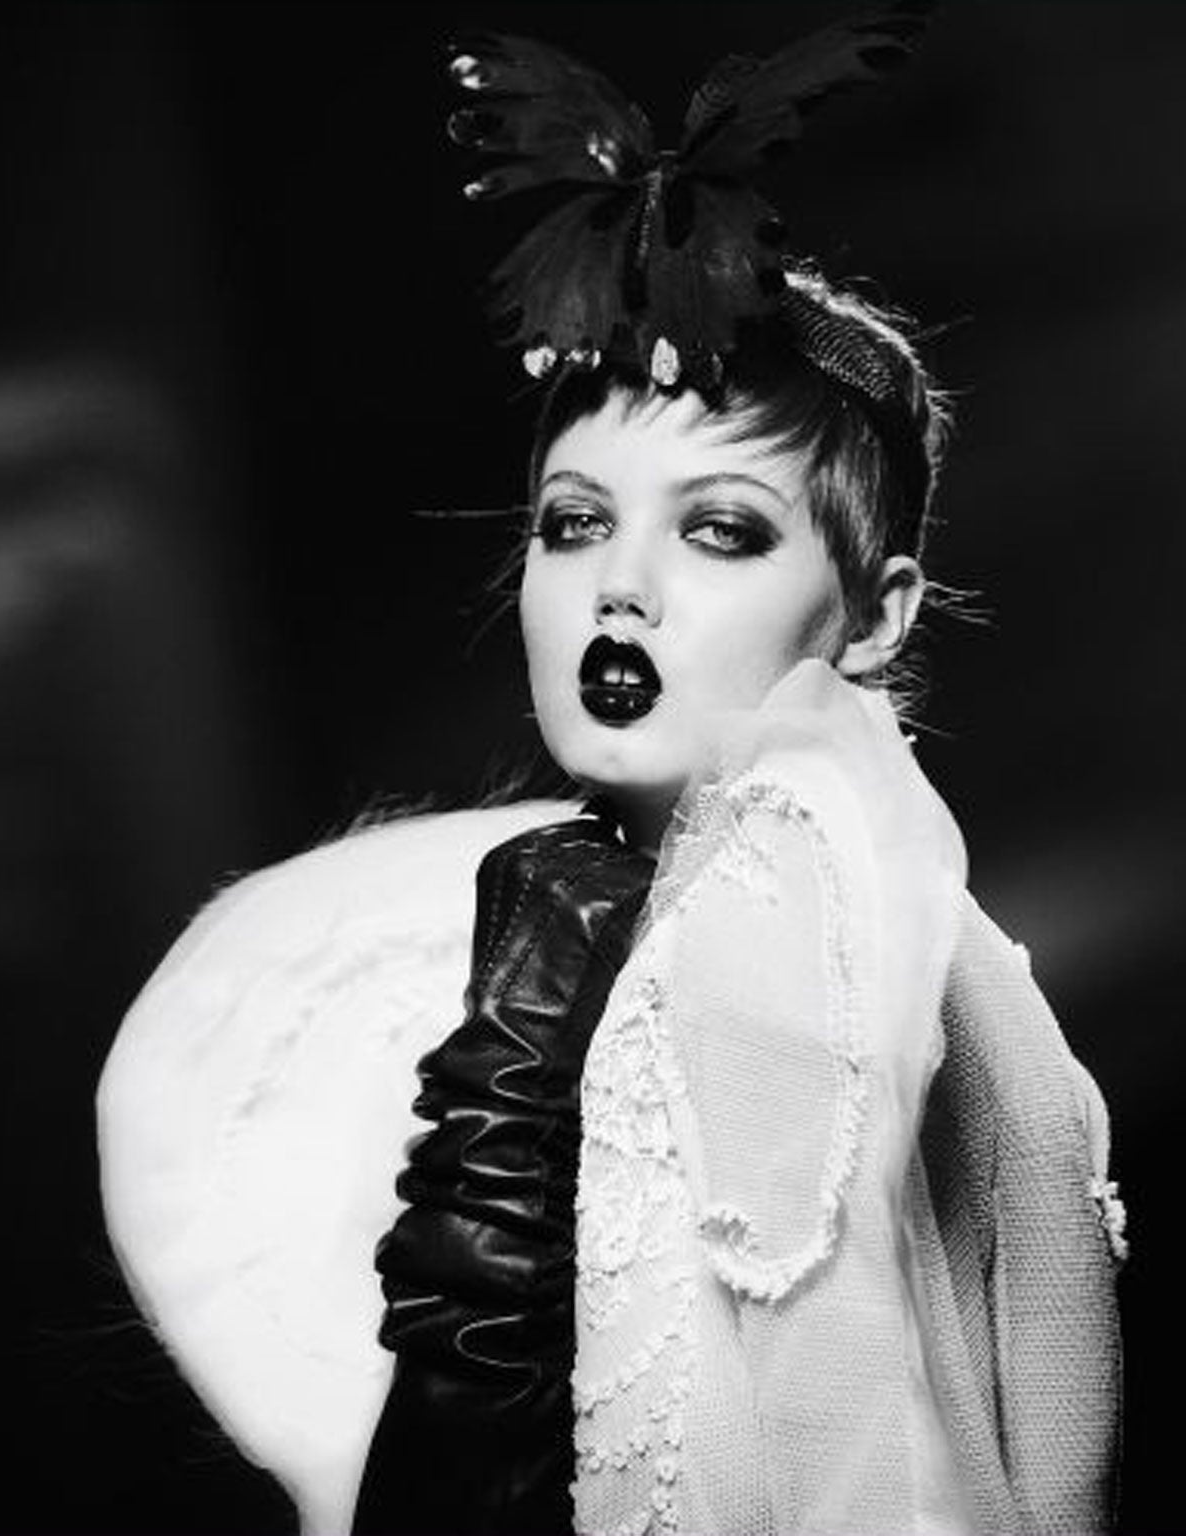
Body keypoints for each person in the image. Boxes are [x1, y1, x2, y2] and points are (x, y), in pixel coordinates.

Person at [98, 10, 1123, 1535]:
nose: (620, 588)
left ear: (876, 613)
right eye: (575, 523)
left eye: (718, 530)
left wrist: (501, 1138)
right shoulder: (616, 918)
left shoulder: (802, 941)